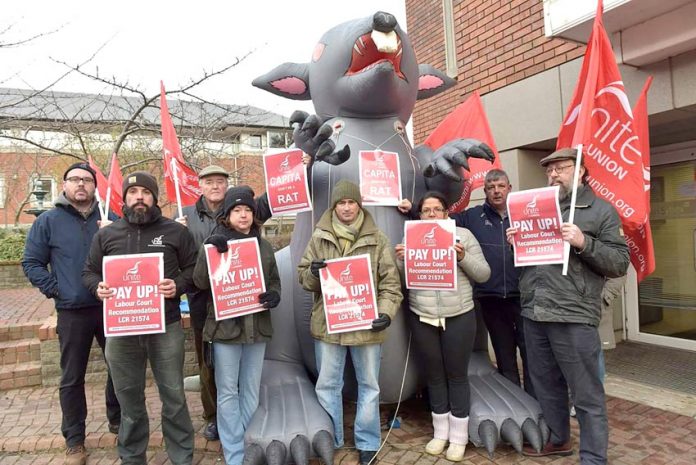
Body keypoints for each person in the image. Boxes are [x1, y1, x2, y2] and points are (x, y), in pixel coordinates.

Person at [507, 148, 629, 464]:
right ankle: (559, 439)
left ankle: (593, 456)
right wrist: (518, 241)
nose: (554, 174)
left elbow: (619, 263)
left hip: (573, 314)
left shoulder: (600, 211)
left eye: (561, 168)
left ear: (582, 171)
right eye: (550, 170)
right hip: (535, 311)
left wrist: (583, 242)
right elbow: (532, 264)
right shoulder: (539, 209)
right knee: (546, 385)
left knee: (586, 393)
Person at [82, 171, 197, 465]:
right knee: (128, 400)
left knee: (174, 396)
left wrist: (178, 286)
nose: (139, 198)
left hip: (166, 326)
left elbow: (194, 269)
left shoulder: (175, 232)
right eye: (133, 193)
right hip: (121, 331)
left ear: (154, 197)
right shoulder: (107, 234)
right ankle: (132, 457)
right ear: (125, 198)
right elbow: (89, 272)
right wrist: (98, 287)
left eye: (146, 192)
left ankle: (182, 457)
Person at [22, 162, 121, 465]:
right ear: (64, 185)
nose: (81, 184)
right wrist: (58, 289)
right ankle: (75, 441)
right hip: (72, 310)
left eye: (87, 180)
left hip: (112, 307)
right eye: (74, 179)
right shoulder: (48, 221)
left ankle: (119, 423)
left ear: (95, 186)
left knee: (119, 370)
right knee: (72, 377)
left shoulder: (111, 218)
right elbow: (32, 263)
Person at [298, 180, 402, 465]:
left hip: (366, 328)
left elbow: (391, 285)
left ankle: (367, 442)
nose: (346, 207)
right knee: (327, 385)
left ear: (359, 204)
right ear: (334, 206)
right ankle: (329, 438)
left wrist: (386, 313)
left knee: (369, 385)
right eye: (341, 203)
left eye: (351, 202)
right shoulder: (319, 236)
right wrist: (313, 273)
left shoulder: (377, 238)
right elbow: (303, 277)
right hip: (329, 327)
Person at [394, 191, 490, 462]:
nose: (432, 214)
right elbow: (403, 282)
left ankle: (458, 438)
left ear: (447, 213)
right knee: (434, 376)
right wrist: (401, 261)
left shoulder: (464, 236)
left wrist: (462, 258)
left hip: (458, 314)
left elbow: (484, 274)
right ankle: (440, 434)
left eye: (437, 209)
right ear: (420, 214)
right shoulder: (410, 238)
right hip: (422, 314)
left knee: (457, 375)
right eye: (426, 210)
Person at [192, 187, 281, 465]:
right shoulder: (214, 243)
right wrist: (210, 252)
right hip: (225, 330)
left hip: (256, 328)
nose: (243, 215)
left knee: (251, 390)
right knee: (228, 390)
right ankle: (234, 453)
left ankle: (244, 440)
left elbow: (274, 280)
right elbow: (199, 282)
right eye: (237, 210)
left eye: (248, 210)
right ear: (227, 215)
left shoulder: (264, 246)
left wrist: (274, 295)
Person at [450, 169, 534, 396]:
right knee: (505, 357)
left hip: (525, 296)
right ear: (485, 190)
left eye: (500, 186)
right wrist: (413, 210)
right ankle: (516, 403)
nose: (496, 191)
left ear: (509, 188)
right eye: (490, 187)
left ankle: (536, 406)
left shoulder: (526, 214)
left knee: (532, 355)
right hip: (491, 299)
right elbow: (437, 219)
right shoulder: (472, 216)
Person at [175, 164, 230, 441]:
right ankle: (213, 416)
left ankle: (235, 411)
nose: (215, 186)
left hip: (234, 294)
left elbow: (271, 203)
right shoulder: (183, 216)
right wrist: (174, 232)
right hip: (200, 297)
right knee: (206, 358)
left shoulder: (237, 209)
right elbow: (166, 252)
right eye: (210, 182)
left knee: (234, 355)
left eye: (220, 181)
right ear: (201, 186)